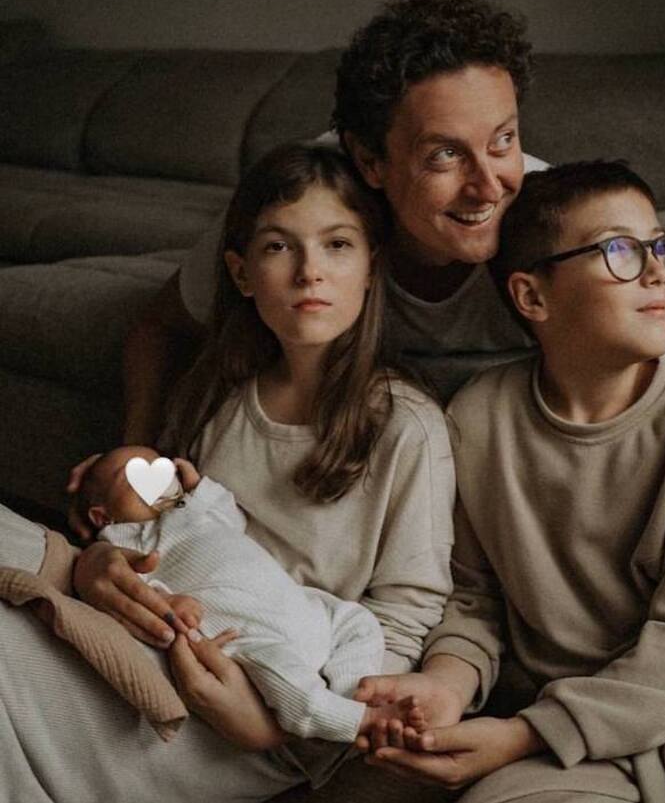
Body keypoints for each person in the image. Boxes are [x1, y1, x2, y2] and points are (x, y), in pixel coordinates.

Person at [70, 0, 665, 687]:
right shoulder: (310, 213)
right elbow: (158, 326)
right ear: (371, 161)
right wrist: (133, 483)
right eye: (445, 155)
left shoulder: (544, 230)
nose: (488, 186)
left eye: (503, 140)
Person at [0, 142, 454, 801]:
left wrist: (287, 729)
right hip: (167, 627)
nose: (309, 272)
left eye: (337, 245)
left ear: (371, 268)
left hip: (256, 695)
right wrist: (100, 549)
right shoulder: (217, 395)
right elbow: (148, 521)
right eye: (279, 247)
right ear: (241, 273)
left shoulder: (406, 425)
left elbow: (407, 615)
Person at [356, 162, 665, 803]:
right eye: (619, 251)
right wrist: (448, 685)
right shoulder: (476, 419)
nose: (656, 272)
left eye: (661, 248)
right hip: (567, 738)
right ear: (533, 298)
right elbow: (474, 599)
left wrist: (522, 735)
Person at [78, 444, 426, 746]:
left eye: (160, 467)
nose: (155, 479)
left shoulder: (191, 508)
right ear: (102, 516)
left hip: (296, 606)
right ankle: (355, 720)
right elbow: (132, 586)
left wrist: (199, 488)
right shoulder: (126, 538)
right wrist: (166, 600)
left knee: (357, 621)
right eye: (133, 478)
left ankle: (354, 692)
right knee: (285, 680)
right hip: (245, 628)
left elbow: (233, 518)